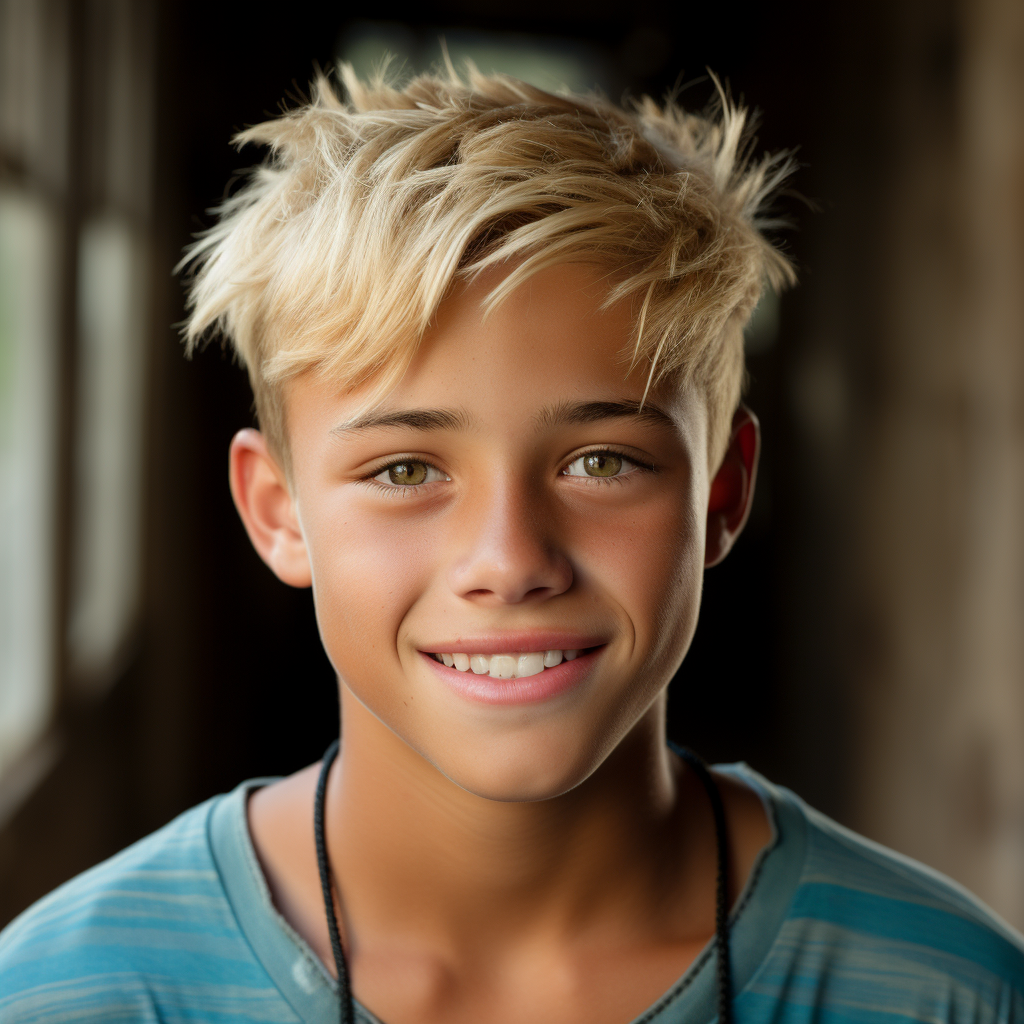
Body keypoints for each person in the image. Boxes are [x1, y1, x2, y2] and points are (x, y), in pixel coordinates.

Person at [1, 63, 1022, 1024]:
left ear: (721, 490)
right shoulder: (69, 992)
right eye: (405, 471)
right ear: (277, 510)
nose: (510, 558)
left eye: (602, 462)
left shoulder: (948, 992)